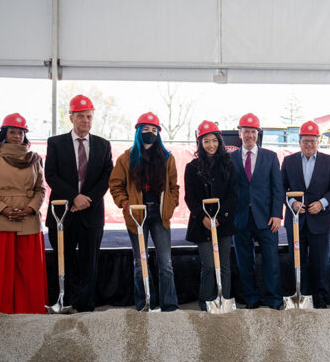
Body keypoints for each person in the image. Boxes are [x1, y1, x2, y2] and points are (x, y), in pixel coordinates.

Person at [45, 95, 113, 312]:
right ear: (71, 117)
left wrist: (87, 200)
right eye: (81, 116)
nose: (86, 120)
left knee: (89, 262)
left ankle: (85, 305)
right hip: (62, 213)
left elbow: (106, 177)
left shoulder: (103, 145)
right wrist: (74, 196)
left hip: (91, 213)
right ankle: (63, 301)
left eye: (89, 116)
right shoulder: (56, 143)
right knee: (62, 260)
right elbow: (51, 175)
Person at [109, 112, 180, 311]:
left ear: (158, 133)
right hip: (136, 215)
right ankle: (145, 302)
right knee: (140, 261)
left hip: (160, 216)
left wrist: (171, 204)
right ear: (138, 131)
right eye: (146, 129)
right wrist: (124, 202)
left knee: (165, 262)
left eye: (154, 130)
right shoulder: (126, 158)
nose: (150, 133)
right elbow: (116, 184)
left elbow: (174, 186)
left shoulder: (167, 158)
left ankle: (169, 304)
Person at [0, 113, 47, 313]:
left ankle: (30, 311)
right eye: (12, 131)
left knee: (29, 272)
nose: (17, 136)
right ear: (4, 133)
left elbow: (40, 189)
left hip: (28, 220)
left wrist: (30, 208)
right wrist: (3, 210)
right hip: (0, 220)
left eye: (20, 132)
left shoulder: (34, 158)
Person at [281, 120, 330, 308]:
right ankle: (302, 296)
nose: (309, 144)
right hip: (296, 220)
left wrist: (322, 204)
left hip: (321, 220)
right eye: (305, 141)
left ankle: (321, 297)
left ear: (318, 141)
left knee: (321, 261)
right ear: (299, 142)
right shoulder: (289, 161)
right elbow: (281, 187)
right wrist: (293, 203)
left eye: (312, 141)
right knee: (297, 260)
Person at [230, 113, 285, 310]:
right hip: (241, 218)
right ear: (240, 133)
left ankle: (274, 300)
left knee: (271, 261)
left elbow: (278, 189)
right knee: (245, 262)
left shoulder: (270, 157)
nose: (250, 135)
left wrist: (277, 214)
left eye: (253, 131)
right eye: (246, 131)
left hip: (267, 218)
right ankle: (251, 299)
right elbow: (229, 190)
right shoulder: (231, 158)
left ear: (258, 133)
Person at [184, 121, 238, 311]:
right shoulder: (192, 167)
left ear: (220, 142)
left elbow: (233, 195)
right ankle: (206, 302)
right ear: (200, 143)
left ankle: (224, 300)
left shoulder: (228, 165)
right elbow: (189, 197)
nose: (211, 145)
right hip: (202, 224)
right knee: (208, 265)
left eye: (214, 141)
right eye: (206, 141)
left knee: (224, 265)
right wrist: (204, 217)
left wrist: (220, 217)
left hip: (223, 223)